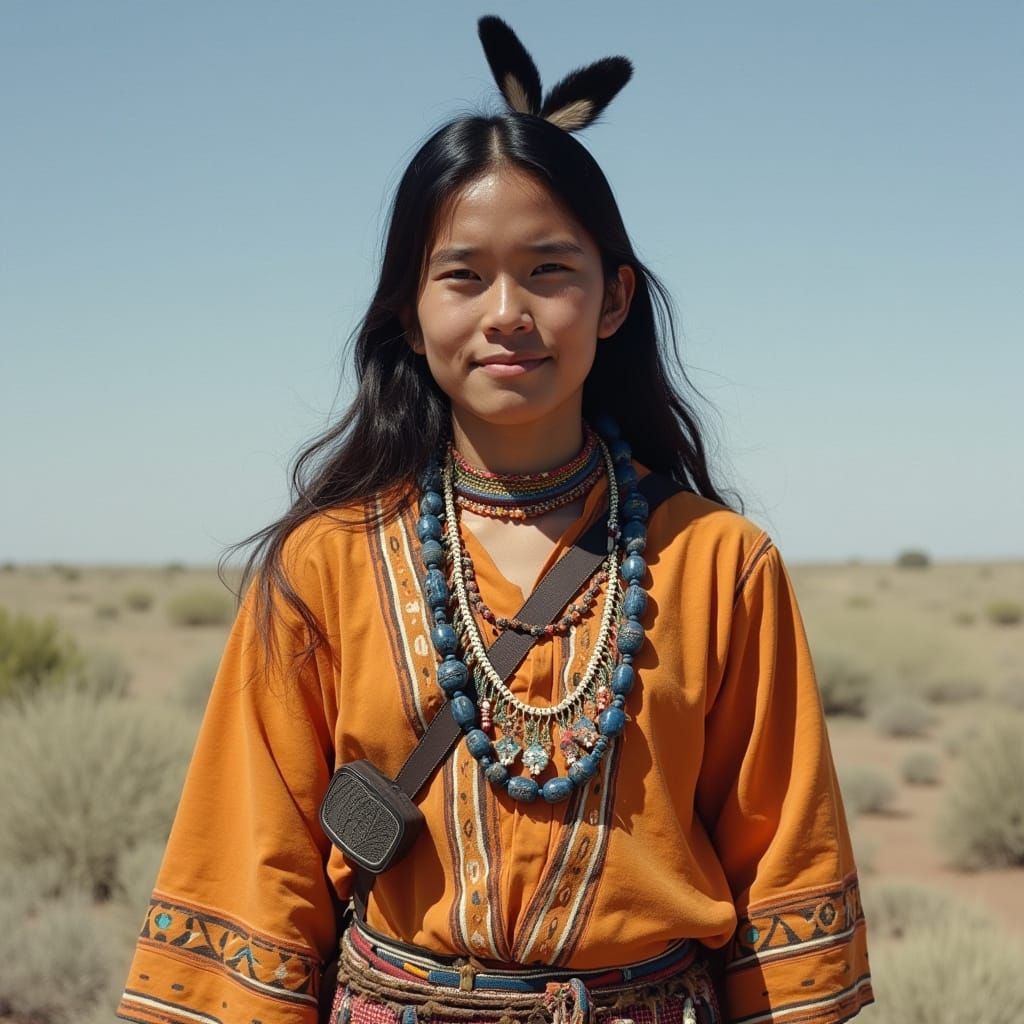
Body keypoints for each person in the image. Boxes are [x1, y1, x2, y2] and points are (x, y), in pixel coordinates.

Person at [117, 16, 872, 1024]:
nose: (507, 310)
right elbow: (256, 871)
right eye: (463, 275)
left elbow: (786, 883)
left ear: (612, 301)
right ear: (409, 311)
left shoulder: (718, 564)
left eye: (550, 271)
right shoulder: (325, 563)